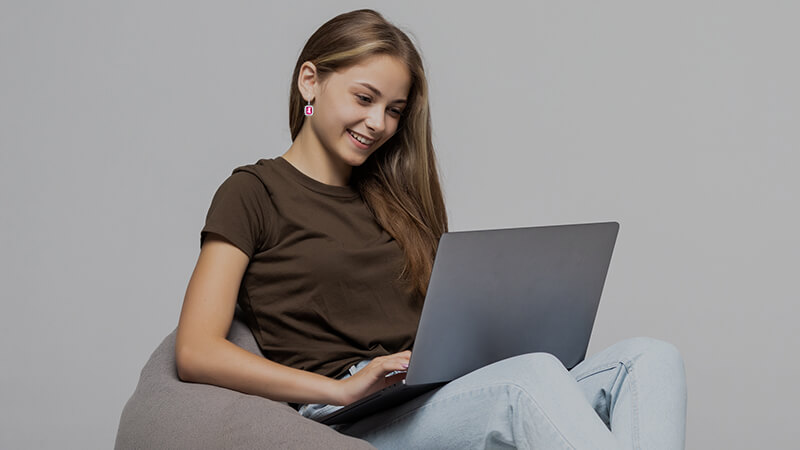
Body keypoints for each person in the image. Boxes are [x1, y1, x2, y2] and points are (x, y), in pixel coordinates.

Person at [174, 8, 687, 450]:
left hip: (428, 390)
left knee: (650, 358)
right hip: (354, 413)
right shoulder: (253, 192)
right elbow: (196, 350)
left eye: (394, 110)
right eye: (364, 97)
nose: (378, 123)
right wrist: (340, 390)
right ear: (310, 80)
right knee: (526, 382)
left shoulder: (394, 200)